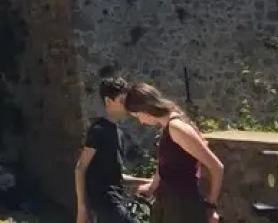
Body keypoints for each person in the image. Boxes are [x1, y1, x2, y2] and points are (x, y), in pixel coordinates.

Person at [125, 82, 224, 223]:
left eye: (137, 115)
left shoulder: (177, 128)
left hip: (184, 207)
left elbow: (216, 167)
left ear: (145, 110)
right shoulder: (166, 127)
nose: (140, 121)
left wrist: (211, 207)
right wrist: (152, 186)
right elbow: (165, 163)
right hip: (170, 203)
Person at [77, 76, 136, 223]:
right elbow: (81, 168)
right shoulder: (98, 130)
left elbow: (116, 177)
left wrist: (150, 181)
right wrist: (82, 208)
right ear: (108, 101)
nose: (127, 106)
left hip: (117, 202)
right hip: (107, 203)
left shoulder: (119, 133)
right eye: (122, 101)